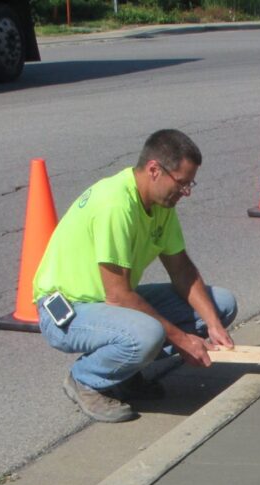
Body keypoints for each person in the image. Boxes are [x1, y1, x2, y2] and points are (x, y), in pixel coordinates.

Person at [33, 129, 237, 423]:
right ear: (155, 169)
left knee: (221, 304)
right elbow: (119, 296)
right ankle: (85, 380)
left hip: (107, 303)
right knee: (148, 333)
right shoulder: (115, 204)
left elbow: (181, 269)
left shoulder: (160, 203)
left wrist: (214, 325)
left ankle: (123, 374)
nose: (187, 192)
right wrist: (182, 339)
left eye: (190, 183)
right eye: (182, 183)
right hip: (68, 310)